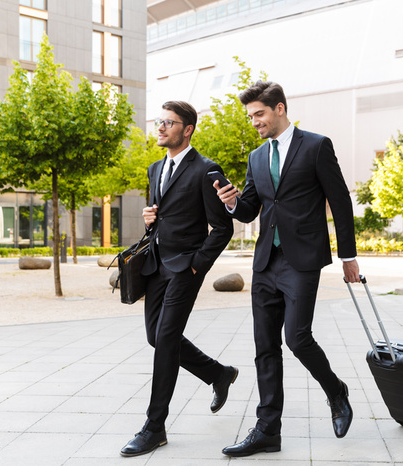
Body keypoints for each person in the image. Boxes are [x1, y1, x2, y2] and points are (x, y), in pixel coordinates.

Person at [214, 81, 360, 457]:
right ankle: (267, 430)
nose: (254, 122)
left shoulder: (316, 146)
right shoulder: (256, 157)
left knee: (297, 338)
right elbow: (250, 209)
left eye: (259, 114)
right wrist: (231, 203)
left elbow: (340, 202)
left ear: (280, 108)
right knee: (265, 347)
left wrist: (348, 256)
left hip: (302, 260)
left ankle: (336, 391)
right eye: (251, 116)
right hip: (266, 263)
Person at [120, 101, 238, 457]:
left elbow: (222, 227)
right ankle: (218, 373)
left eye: (168, 123)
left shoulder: (206, 170)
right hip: (156, 265)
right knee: (156, 337)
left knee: (167, 338)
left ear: (187, 129)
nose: (160, 128)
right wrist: (149, 220)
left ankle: (154, 426)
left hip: (185, 268)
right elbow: (159, 219)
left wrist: (196, 265)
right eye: (159, 121)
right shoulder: (155, 168)